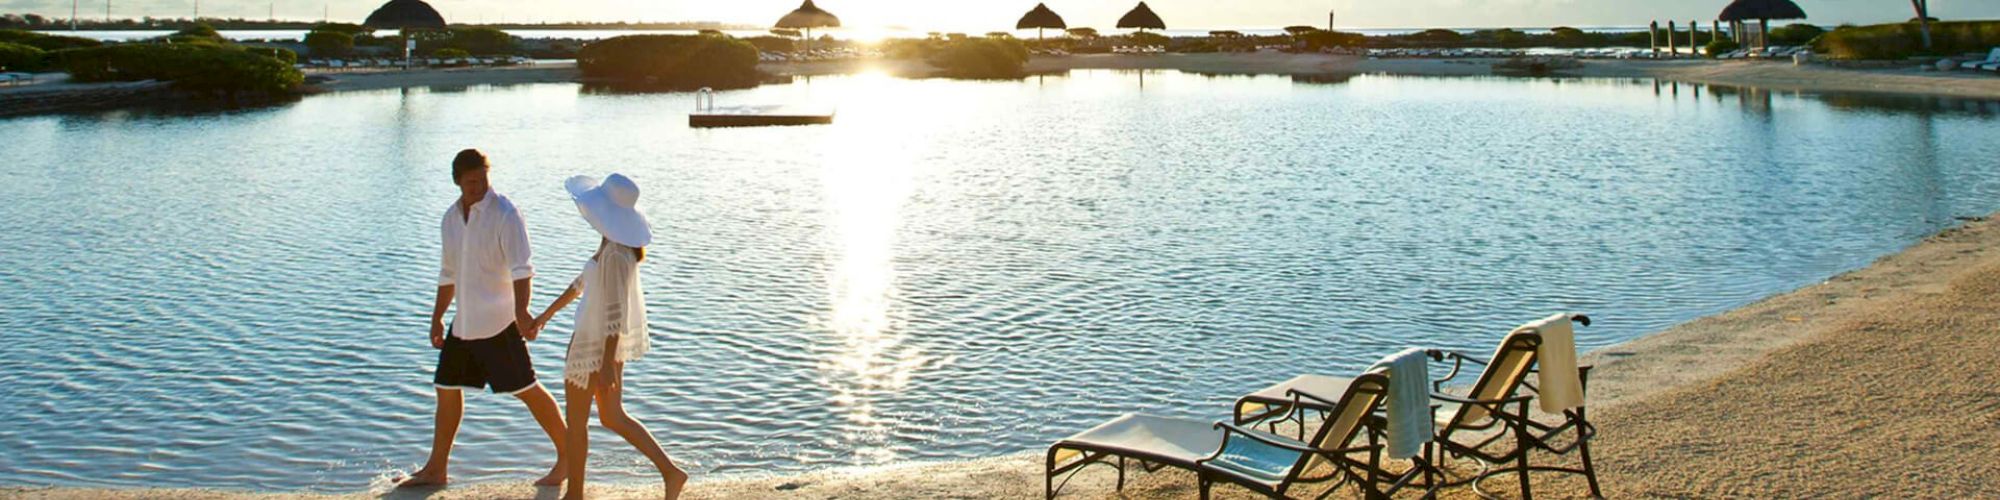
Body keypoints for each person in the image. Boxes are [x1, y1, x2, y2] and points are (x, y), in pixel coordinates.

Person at [400, 149, 569, 487]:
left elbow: (523, 269)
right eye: (471, 181)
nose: (479, 187)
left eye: (483, 180)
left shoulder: (505, 213)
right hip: (463, 323)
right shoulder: (450, 218)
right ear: (458, 181)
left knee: (526, 388)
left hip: (499, 322)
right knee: (446, 388)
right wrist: (437, 317)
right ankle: (437, 468)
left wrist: (522, 311)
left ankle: (570, 456)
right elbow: (448, 273)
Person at [532, 173, 687, 500]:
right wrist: (543, 317)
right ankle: (671, 473)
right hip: (597, 343)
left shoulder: (617, 255)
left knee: (578, 424)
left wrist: (604, 363)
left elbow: (616, 313)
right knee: (612, 416)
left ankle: (575, 494)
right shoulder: (610, 246)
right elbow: (580, 285)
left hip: (593, 344)